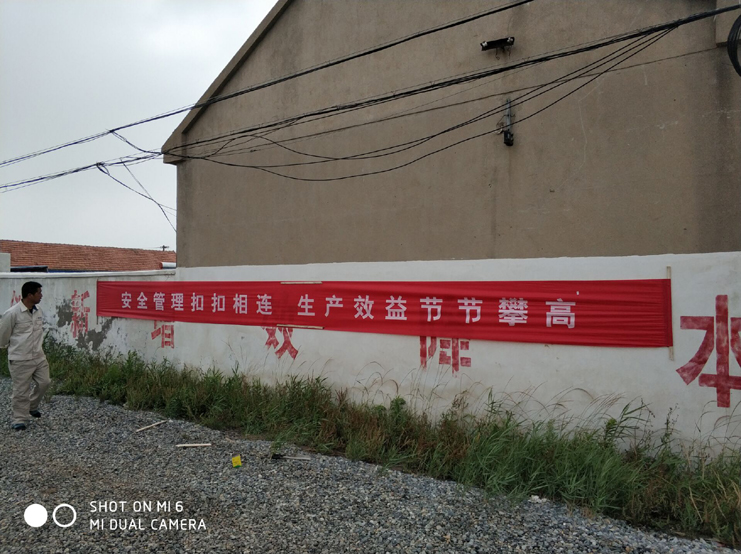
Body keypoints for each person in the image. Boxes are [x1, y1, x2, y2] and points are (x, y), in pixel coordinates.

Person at [0, 281, 50, 430]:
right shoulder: (12, 313)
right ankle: (19, 419)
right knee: (21, 391)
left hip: (38, 356)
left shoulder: (38, 311)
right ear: (29, 295)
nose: (41, 295)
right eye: (39, 293)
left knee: (45, 383)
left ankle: (32, 406)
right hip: (20, 358)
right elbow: (3, 335)